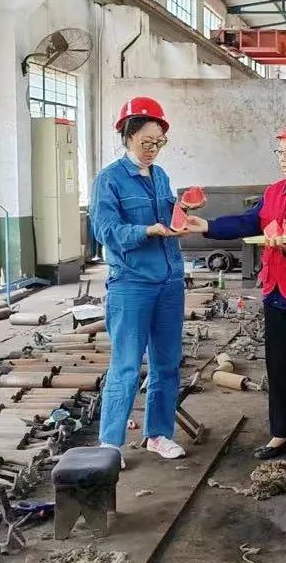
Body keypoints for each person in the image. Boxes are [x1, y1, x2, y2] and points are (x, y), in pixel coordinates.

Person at [185, 114, 286, 464]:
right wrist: (208, 225)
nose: (283, 159)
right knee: (278, 367)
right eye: (280, 152)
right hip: (277, 295)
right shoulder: (275, 192)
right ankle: (281, 433)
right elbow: (250, 222)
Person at [90, 96, 187, 468]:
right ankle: (110, 442)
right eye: (147, 141)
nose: (153, 149)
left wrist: (184, 213)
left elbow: (171, 218)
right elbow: (105, 231)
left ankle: (158, 434)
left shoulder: (161, 176)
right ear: (127, 135)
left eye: (159, 142)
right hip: (131, 283)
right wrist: (146, 230)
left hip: (169, 281)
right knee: (127, 365)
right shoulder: (109, 180)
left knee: (167, 363)